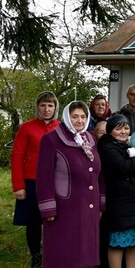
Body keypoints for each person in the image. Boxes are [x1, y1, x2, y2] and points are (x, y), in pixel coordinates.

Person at [36, 100, 103, 268]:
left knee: (85, 252)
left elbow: (98, 173)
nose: (79, 120)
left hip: (88, 204)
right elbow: (44, 176)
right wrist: (48, 207)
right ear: (67, 117)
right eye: (75, 116)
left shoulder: (90, 138)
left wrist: (101, 203)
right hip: (65, 207)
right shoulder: (51, 139)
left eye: (83, 116)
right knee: (65, 251)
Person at [98, 114, 135, 268]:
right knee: (117, 243)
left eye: (126, 128)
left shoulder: (131, 143)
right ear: (110, 131)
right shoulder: (107, 147)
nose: (123, 132)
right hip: (121, 204)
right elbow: (122, 167)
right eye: (119, 129)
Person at [11, 91, 60, 267]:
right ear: (38, 107)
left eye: (50, 105)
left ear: (55, 107)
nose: (46, 109)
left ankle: (53, 254)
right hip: (32, 181)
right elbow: (17, 156)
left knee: (54, 220)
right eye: (43, 105)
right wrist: (18, 186)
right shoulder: (27, 127)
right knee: (33, 221)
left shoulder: (61, 128)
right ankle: (36, 256)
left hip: (55, 182)